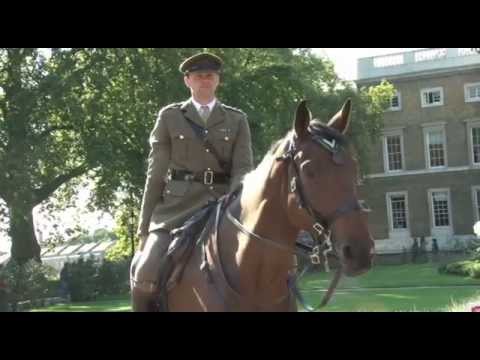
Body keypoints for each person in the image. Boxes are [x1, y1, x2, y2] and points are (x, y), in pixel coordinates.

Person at [130, 52, 254, 311]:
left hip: (220, 207)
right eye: (198, 76)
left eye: (210, 75)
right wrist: (144, 228)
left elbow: (242, 171)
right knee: (145, 274)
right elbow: (155, 174)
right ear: (188, 80)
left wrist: (233, 209)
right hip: (176, 209)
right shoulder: (170, 117)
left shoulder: (237, 119)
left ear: (218, 80)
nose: (205, 80)